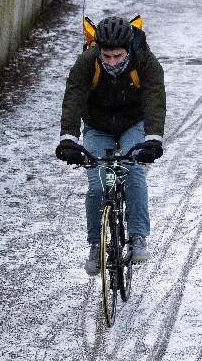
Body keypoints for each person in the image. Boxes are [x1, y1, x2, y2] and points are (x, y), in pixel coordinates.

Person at [55, 15, 166, 275]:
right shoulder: (87, 62)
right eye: (107, 56)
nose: (112, 62)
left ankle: (138, 236)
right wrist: (68, 139)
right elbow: (73, 97)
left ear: (127, 50)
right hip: (97, 125)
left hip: (133, 123)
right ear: (99, 51)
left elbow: (155, 99)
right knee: (97, 184)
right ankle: (95, 245)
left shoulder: (145, 62)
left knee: (133, 171)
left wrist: (153, 139)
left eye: (117, 56)